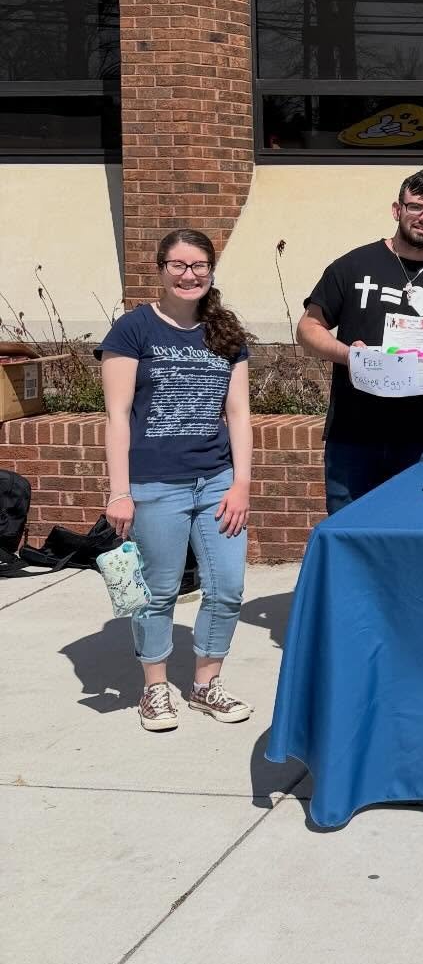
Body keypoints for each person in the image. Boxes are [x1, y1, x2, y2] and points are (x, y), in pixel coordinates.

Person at [98, 230, 253, 732]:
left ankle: (206, 684)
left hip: (216, 482)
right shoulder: (133, 330)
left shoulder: (226, 332)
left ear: (212, 269)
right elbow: (117, 417)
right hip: (155, 485)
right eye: (179, 265)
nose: (190, 275)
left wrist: (242, 483)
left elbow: (239, 415)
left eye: (200, 265)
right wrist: (119, 491)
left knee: (227, 587)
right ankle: (154, 690)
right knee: (159, 591)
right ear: (160, 268)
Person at [298, 169, 423, 514]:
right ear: (397, 209)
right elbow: (308, 329)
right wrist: (348, 355)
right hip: (352, 436)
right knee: (350, 534)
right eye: (416, 207)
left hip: (419, 439)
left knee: (416, 535)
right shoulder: (352, 266)